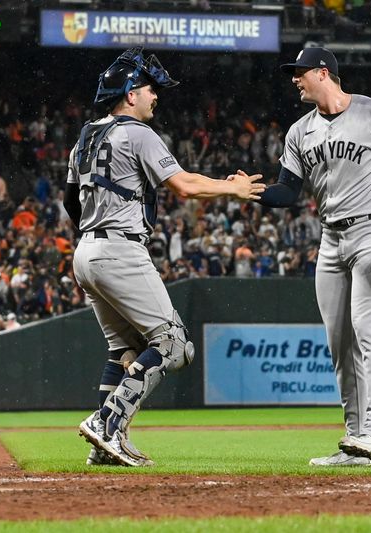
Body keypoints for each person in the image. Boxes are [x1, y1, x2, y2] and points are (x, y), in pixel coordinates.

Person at [64, 47, 264, 467]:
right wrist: (235, 189)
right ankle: (105, 424)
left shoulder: (85, 135)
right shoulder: (136, 132)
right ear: (130, 92)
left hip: (86, 250)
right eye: (150, 89)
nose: (156, 96)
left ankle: (103, 450)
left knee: (125, 350)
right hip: (119, 248)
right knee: (173, 345)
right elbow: (185, 185)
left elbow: (70, 203)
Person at [254, 47, 371, 466]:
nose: (295, 79)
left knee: (368, 330)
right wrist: (253, 191)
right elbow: (287, 192)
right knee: (340, 344)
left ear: (323, 72)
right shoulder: (299, 131)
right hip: (331, 239)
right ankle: (356, 440)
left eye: (300, 73)